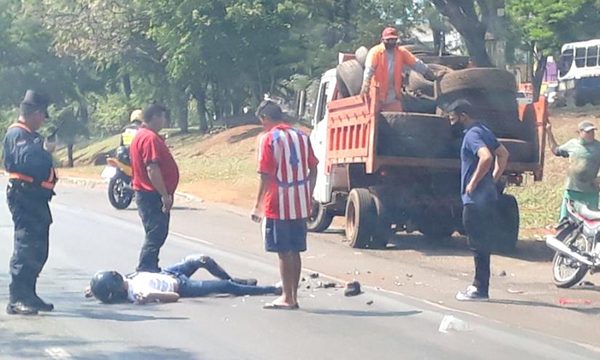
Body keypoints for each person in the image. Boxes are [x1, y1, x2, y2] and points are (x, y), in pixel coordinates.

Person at [251, 100, 318, 310]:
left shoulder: (268, 138)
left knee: (283, 251)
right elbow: (313, 169)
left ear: (265, 119)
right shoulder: (302, 136)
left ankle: (287, 297)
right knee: (296, 250)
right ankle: (294, 296)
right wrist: (308, 191)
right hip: (300, 202)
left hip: (277, 203)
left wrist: (257, 205)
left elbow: (265, 175)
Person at [446, 100, 510, 301]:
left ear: (463, 116)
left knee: (477, 243)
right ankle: (480, 286)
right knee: (482, 243)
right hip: (488, 197)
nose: (451, 122)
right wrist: (493, 179)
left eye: (453, 118)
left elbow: (487, 158)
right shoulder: (483, 130)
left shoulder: (472, 135)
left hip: (475, 200)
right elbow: (503, 154)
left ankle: (479, 288)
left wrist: (473, 183)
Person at [3, 90, 58, 315]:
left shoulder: (29, 136)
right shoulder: (18, 134)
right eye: (43, 115)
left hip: (35, 198)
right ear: (35, 113)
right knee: (26, 246)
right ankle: (17, 298)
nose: (43, 120)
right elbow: (28, 161)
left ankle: (30, 293)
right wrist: (46, 151)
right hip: (24, 197)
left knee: (38, 249)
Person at [86, 254, 281, 304]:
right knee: (224, 287)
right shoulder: (137, 294)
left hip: (169, 272)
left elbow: (107, 286)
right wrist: (152, 295)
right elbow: (173, 297)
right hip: (182, 285)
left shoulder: (128, 280)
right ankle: (271, 289)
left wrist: (94, 290)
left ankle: (237, 280)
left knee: (202, 260)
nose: (117, 275)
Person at [130, 104, 179, 273]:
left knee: (155, 232)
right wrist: (164, 195)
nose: (164, 121)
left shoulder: (141, 135)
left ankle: (151, 266)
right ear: (156, 117)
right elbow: (152, 169)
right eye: (163, 117)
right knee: (156, 233)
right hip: (151, 194)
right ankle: (146, 267)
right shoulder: (149, 138)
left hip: (146, 193)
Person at [361, 27, 439, 111]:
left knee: (395, 119)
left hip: (393, 95)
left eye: (393, 40)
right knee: (376, 120)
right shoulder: (375, 52)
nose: (391, 42)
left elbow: (415, 63)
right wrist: (365, 84)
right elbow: (369, 69)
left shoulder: (401, 52)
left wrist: (428, 72)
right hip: (377, 95)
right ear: (382, 40)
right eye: (388, 40)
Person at [547, 120, 600, 220]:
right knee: (567, 221)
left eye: (593, 132)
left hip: (591, 191)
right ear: (579, 132)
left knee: (592, 221)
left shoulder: (598, 147)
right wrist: (549, 132)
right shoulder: (572, 144)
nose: (591, 134)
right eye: (588, 132)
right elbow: (556, 150)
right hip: (572, 190)